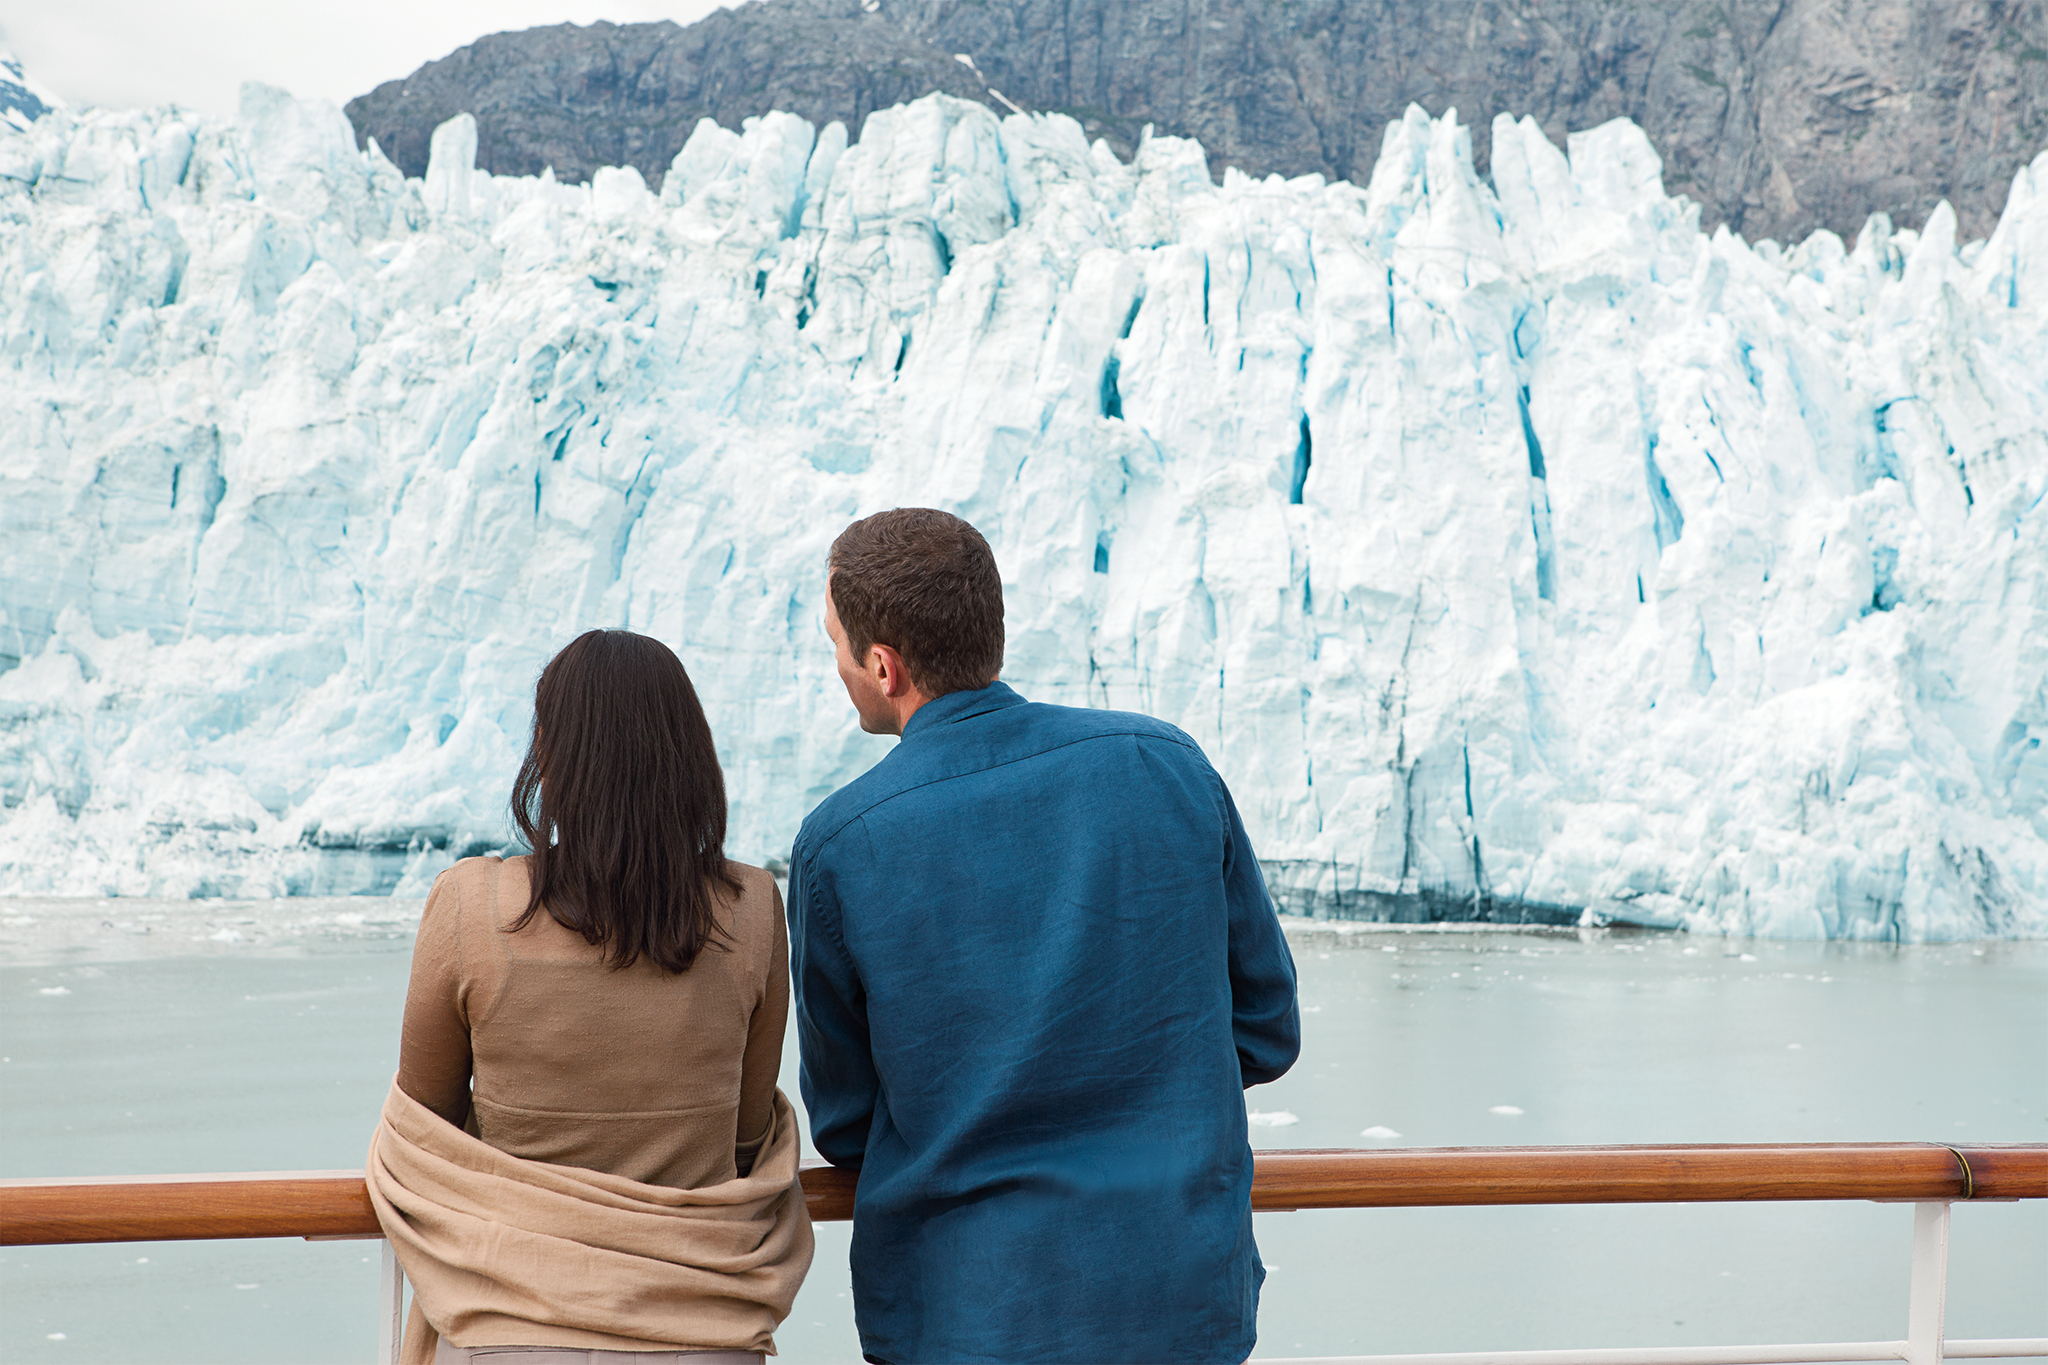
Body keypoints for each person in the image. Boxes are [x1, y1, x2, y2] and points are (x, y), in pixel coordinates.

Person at [789, 508, 1301, 1365]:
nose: (837, 665)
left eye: (837, 644)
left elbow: (845, 1126)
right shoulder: (1164, 763)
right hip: (1177, 1300)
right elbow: (1266, 1028)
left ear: (884, 666)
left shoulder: (843, 844)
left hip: (966, 1313)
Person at [367, 629, 814, 1365]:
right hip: (702, 1328)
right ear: (688, 755)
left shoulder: (470, 904)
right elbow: (743, 1132)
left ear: (549, 758)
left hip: (508, 1323)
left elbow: (425, 1124)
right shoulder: (755, 907)